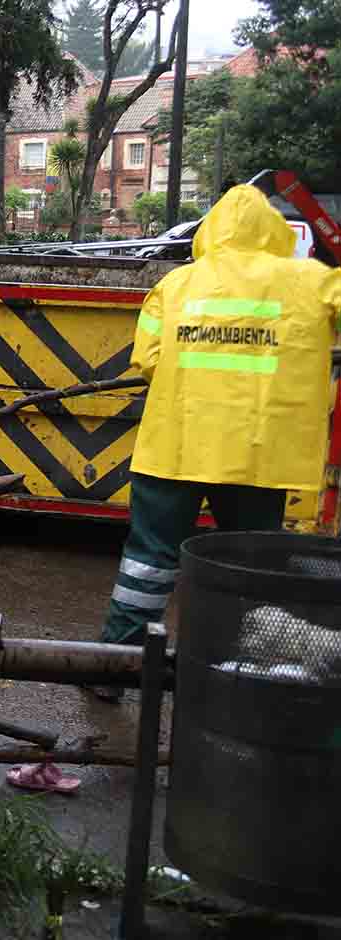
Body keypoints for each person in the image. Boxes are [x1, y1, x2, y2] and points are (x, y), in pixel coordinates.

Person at [92, 184, 341, 699]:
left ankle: (115, 668)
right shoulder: (311, 281)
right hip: (257, 454)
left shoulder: (177, 285)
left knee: (148, 561)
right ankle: (233, 674)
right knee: (248, 567)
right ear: (273, 232)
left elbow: (148, 362)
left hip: (175, 446)